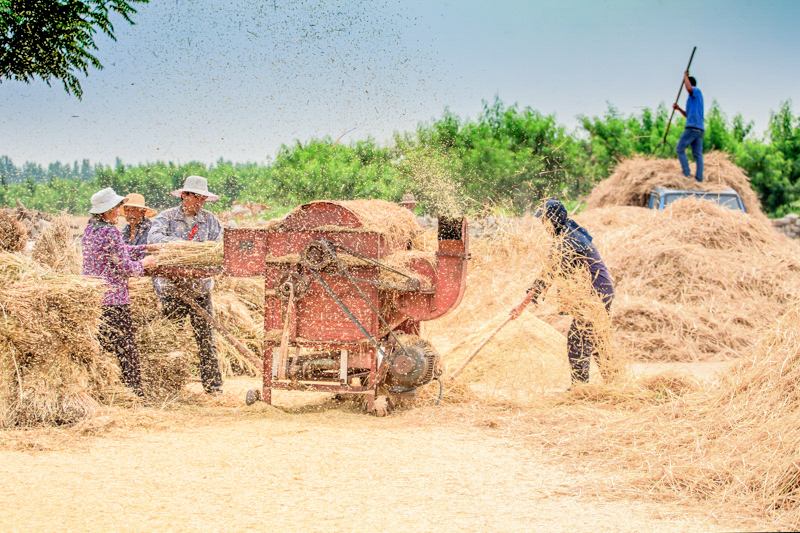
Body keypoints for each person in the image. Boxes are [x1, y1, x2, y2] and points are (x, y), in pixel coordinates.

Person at [514, 199, 615, 385]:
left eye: (545, 220)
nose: (543, 225)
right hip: (601, 290)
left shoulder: (567, 241)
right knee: (596, 337)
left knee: (578, 339)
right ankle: (614, 380)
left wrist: (522, 305)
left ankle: (580, 388)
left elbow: (547, 275)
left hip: (595, 293)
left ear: (553, 220)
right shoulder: (570, 232)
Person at [148, 176, 224, 395]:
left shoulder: (210, 220)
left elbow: (219, 246)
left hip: (200, 289)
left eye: (203, 198)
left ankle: (213, 388)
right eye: (196, 197)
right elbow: (154, 239)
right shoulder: (167, 218)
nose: (199, 202)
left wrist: (201, 254)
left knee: (206, 339)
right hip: (172, 289)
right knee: (171, 336)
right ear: (184, 195)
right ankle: (168, 386)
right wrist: (185, 249)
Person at [82, 187, 159, 398]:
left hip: (95, 298)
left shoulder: (90, 230)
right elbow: (125, 267)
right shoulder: (111, 232)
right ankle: (135, 394)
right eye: (116, 208)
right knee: (127, 348)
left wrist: (145, 248)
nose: (119, 212)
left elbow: (116, 251)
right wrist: (144, 263)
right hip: (115, 300)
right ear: (106, 212)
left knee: (103, 346)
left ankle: (102, 390)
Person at [673, 71, 705, 182]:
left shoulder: (695, 91)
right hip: (699, 129)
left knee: (679, 148)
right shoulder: (694, 100)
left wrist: (685, 76)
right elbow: (687, 114)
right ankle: (699, 179)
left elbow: (689, 88)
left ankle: (686, 174)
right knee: (697, 154)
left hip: (692, 128)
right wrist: (678, 109)